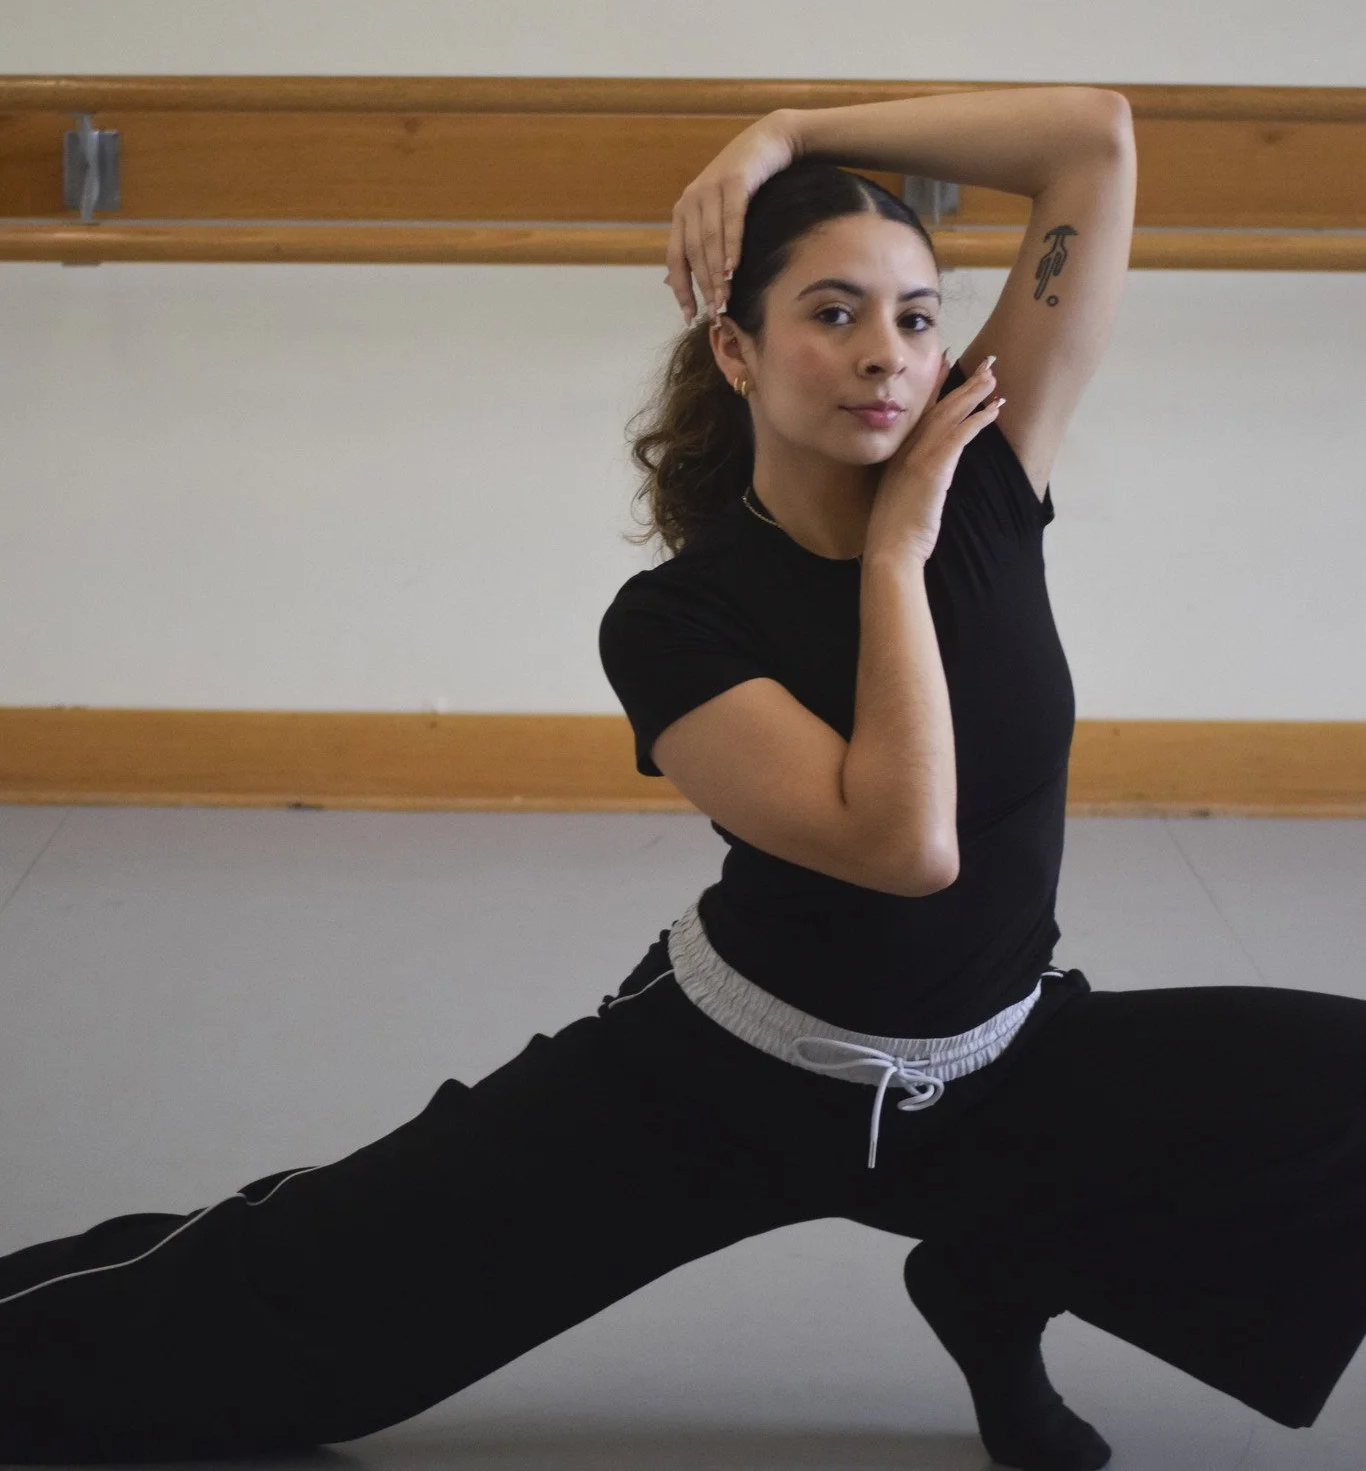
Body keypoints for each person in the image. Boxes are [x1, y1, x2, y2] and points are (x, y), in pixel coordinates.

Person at [2, 95, 1364, 1471]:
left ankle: (995, 1275)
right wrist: (893, 559)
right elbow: (903, 847)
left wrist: (781, 130)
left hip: (997, 1074)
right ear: (736, 344)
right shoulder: (674, 619)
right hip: (731, 1080)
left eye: (913, 316)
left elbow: (1094, 142)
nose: (885, 358)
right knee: (286, 1331)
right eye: (831, 314)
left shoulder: (993, 479)